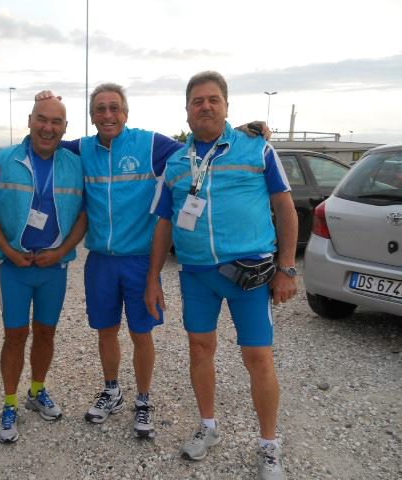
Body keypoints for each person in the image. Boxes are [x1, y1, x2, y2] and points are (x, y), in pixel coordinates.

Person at [36, 85, 268, 439]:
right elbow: (45, 139)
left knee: (140, 333)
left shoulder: (150, 144)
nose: (108, 115)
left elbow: (201, 147)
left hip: (139, 260)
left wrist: (240, 130)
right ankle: (112, 390)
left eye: (114, 107)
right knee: (106, 331)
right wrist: (44, 106)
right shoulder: (82, 148)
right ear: (92, 116)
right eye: (100, 109)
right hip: (100, 261)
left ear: (126, 113)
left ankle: (143, 399)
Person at [145, 71, 297, 480]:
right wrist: (153, 278)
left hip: (249, 273)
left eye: (213, 99)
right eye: (197, 101)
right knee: (199, 349)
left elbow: (285, 207)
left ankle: (269, 446)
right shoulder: (175, 163)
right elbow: (164, 223)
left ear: (227, 106)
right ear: (187, 110)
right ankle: (208, 426)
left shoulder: (256, 147)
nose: (206, 106)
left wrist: (287, 267)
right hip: (197, 275)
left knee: (257, 357)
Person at [0, 97, 86, 444]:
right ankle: (9, 403)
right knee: (15, 336)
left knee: (47, 333)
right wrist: (7, 250)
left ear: (65, 128)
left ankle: (37, 391)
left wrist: (62, 251)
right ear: (29, 120)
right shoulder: (2, 159)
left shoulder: (76, 164)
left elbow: (85, 214)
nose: (48, 128)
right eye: (42, 119)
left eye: (56, 122)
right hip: (15, 266)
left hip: (54, 267)